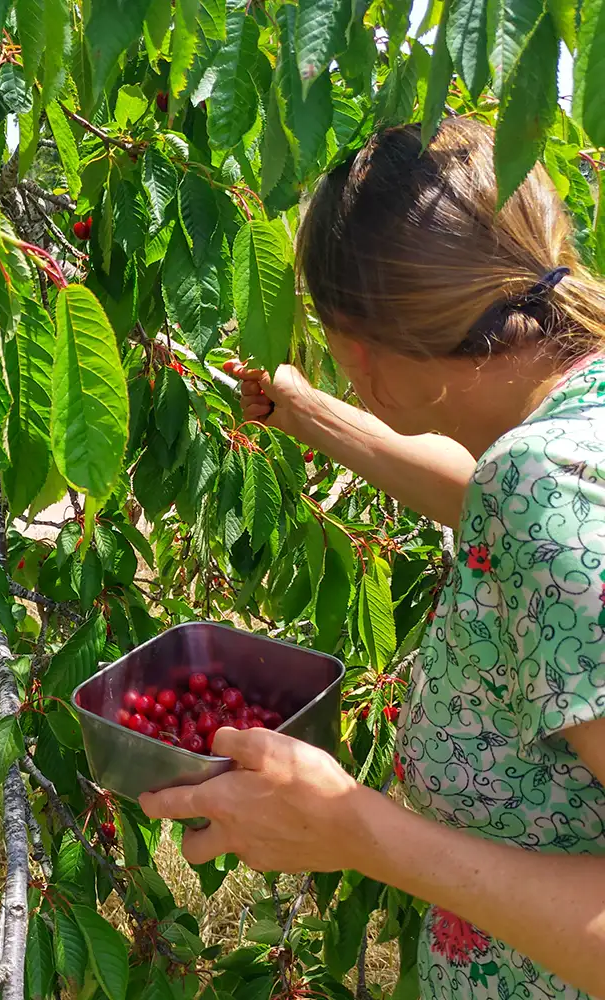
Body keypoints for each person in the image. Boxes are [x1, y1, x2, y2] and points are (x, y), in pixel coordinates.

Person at [139, 117, 605, 1000]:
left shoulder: (545, 483)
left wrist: (355, 830)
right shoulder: (573, 427)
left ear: (359, 352)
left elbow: (540, 513)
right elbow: (516, 524)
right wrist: (307, 414)